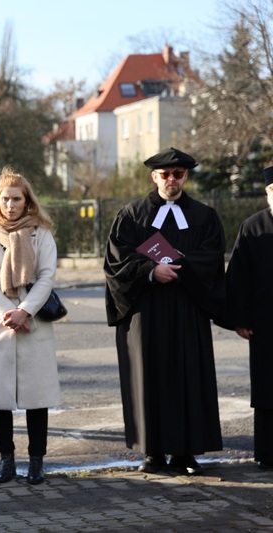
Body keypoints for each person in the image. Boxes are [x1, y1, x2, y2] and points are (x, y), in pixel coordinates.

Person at [104, 147, 225, 476]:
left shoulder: (204, 215)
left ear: (186, 176)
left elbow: (212, 256)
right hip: (146, 310)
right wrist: (150, 271)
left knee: (189, 376)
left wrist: (180, 268)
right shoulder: (132, 215)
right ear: (154, 176)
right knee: (148, 377)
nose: (171, 180)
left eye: (178, 174)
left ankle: (186, 452)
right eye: (165, 174)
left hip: (187, 308)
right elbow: (116, 261)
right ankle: (152, 451)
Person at [0, 167, 61, 486]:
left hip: (32, 322)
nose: (10, 205)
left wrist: (25, 310)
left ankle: (37, 461)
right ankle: (6, 460)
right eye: (5, 199)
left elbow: (47, 277)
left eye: (16, 199)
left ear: (27, 202)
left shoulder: (41, 235)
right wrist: (9, 312)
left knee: (37, 397)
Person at [225, 164, 273, 470]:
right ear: (269, 191)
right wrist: (239, 319)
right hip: (265, 323)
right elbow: (237, 278)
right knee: (269, 389)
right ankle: (269, 453)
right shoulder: (253, 227)